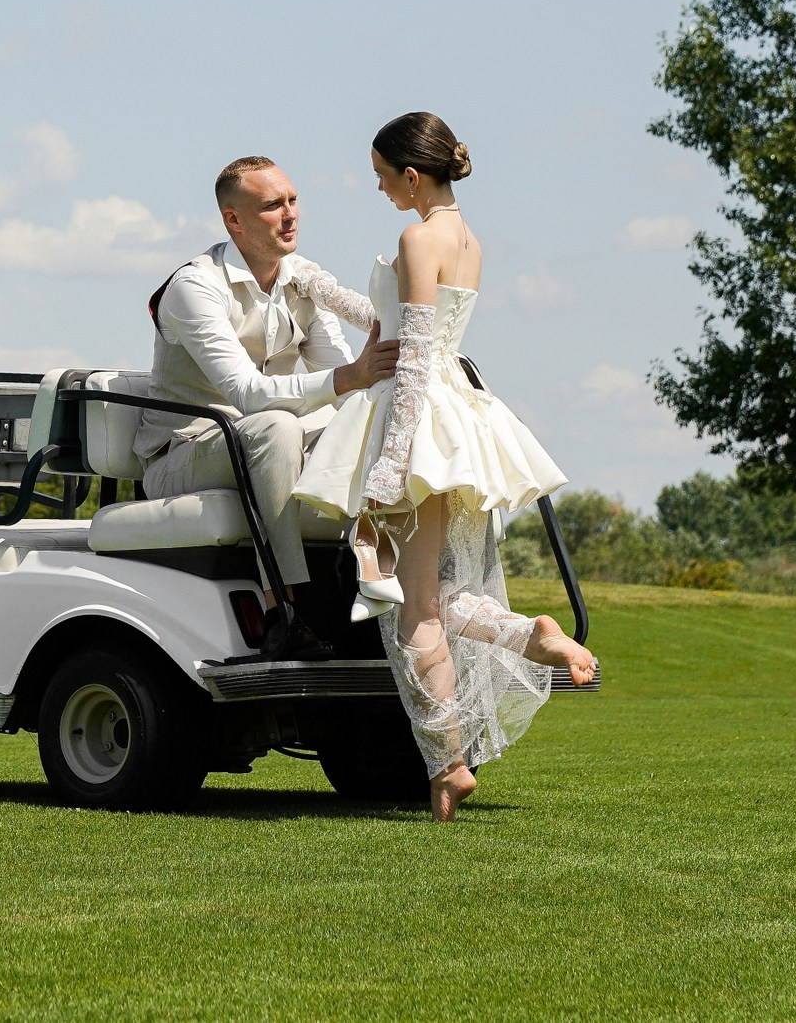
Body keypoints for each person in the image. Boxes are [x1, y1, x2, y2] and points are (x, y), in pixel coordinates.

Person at [293, 111, 599, 819]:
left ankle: (447, 765)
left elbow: (416, 355)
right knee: (430, 596)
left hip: (419, 420)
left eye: (380, 177)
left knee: (410, 613)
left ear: (409, 173)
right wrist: (317, 284)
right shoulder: (468, 241)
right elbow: (391, 319)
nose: (379, 190)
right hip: (455, 419)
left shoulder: (417, 234)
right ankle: (533, 635)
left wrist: (389, 470)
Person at [139, 155, 400, 660]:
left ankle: (383, 595)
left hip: (263, 441)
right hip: (184, 453)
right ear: (232, 219)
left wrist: (371, 383)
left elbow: (343, 383)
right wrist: (352, 377)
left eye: (293, 200)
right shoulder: (194, 287)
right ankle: (285, 613)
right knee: (276, 426)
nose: (290, 215)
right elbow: (246, 393)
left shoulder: (301, 280)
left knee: (373, 423)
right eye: (271, 206)